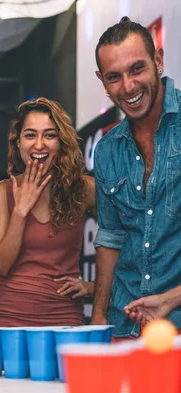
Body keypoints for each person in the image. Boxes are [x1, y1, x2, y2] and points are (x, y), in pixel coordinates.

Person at [91, 16, 181, 338]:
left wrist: (171, 299)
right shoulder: (105, 150)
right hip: (124, 328)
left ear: (158, 60)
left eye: (137, 69)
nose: (128, 87)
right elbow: (111, 238)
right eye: (115, 77)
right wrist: (100, 317)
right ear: (103, 82)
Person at [0, 98, 96, 327]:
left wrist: (93, 287)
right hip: (11, 318)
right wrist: (21, 210)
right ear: (17, 143)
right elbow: (0, 266)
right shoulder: (3, 191)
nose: (39, 145)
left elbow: (123, 238)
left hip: (65, 317)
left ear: (61, 143)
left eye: (49, 135)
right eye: (30, 135)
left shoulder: (84, 188)